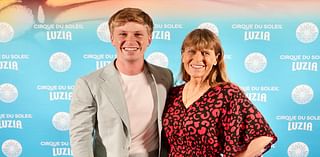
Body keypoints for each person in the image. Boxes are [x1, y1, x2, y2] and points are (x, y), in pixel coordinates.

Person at [69, 7, 173, 157]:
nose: (130, 41)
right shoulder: (89, 84)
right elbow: (80, 136)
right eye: (122, 34)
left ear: (149, 39)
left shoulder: (165, 76)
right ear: (112, 39)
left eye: (138, 34)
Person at [162, 28, 277, 157]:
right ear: (183, 56)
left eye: (205, 53)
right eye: (191, 51)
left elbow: (263, 136)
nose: (197, 58)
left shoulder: (227, 94)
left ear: (216, 58)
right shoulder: (173, 94)